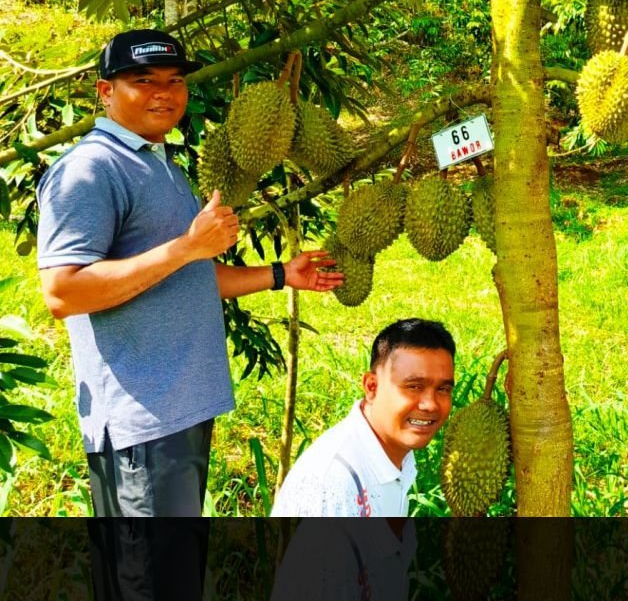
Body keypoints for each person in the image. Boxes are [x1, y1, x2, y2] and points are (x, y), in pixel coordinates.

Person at [36, 28, 345, 517]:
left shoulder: (161, 164)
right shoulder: (89, 170)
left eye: (175, 80)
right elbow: (63, 293)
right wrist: (186, 246)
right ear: (105, 91)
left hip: (181, 412)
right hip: (141, 422)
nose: (163, 92)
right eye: (143, 80)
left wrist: (283, 273)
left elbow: (191, 275)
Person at [271, 318, 456, 517]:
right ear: (371, 387)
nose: (430, 404)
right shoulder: (333, 484)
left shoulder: (395, 452)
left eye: (443, 389)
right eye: (414, 387)